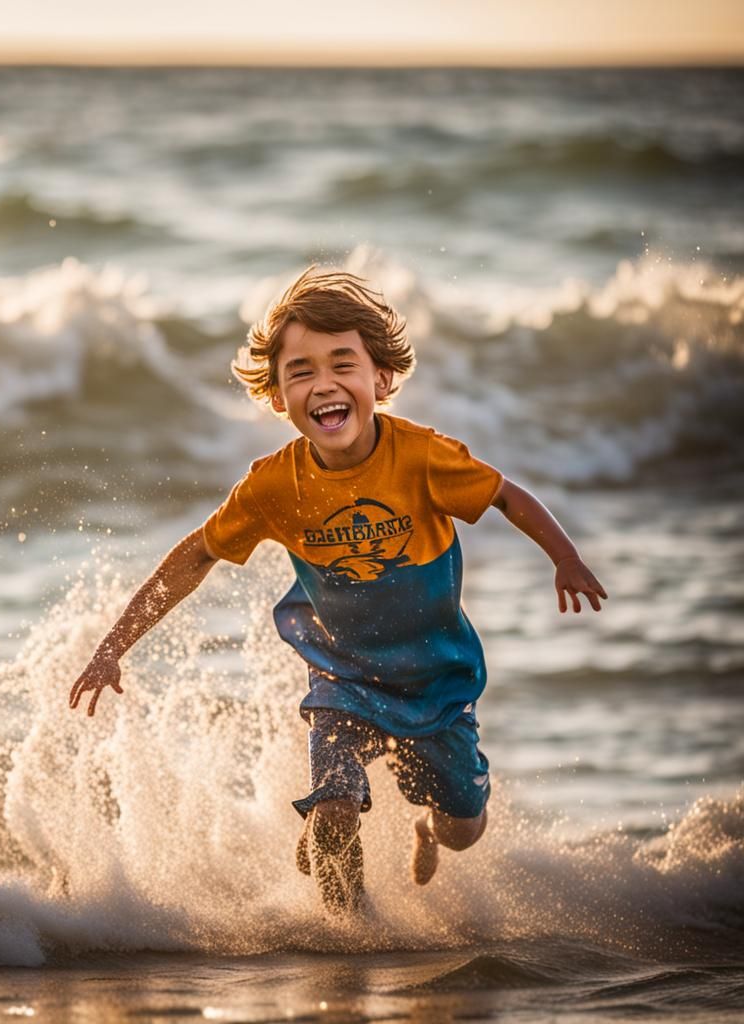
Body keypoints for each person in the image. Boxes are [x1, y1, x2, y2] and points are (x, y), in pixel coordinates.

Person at [69, 266, 607, 915]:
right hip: (341, 676)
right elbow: (196, 556)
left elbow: (503, 495)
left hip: (435, 680)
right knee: (332, 809)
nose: (323, 383)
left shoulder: (423, 457)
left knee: (464, 828)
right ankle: (347, 945)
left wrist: (565, 556)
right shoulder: (273, 487)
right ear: (276, 396)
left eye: (342, 364)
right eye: (300, 371)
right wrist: (114, 645)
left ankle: (424, 828)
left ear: (380, 378)